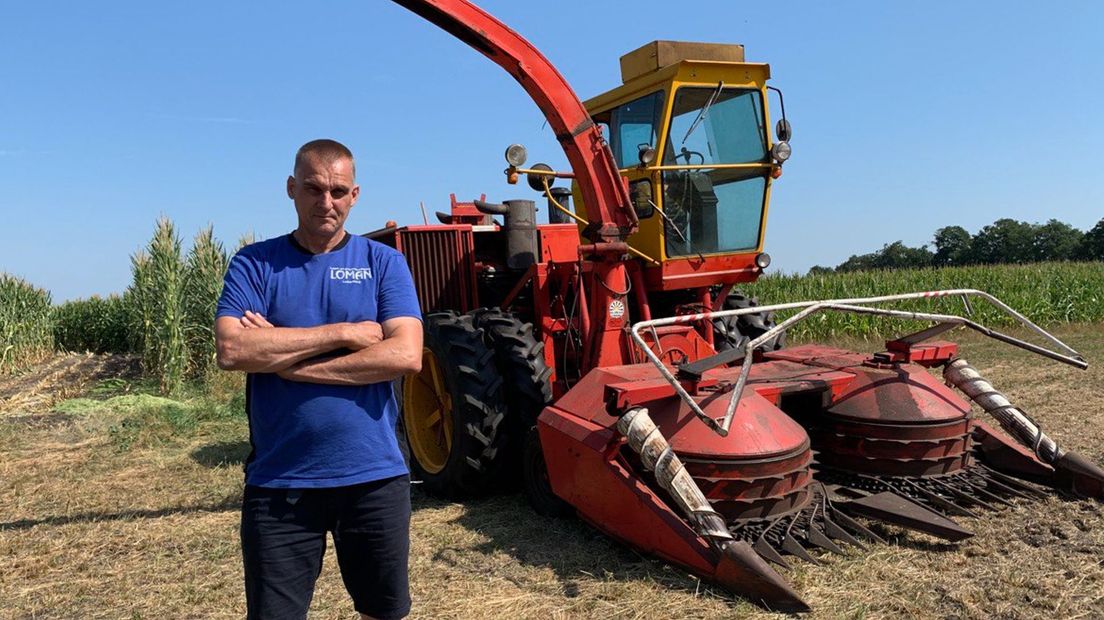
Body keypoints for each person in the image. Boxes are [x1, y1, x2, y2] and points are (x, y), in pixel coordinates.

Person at [214, 138, 423, 620]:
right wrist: (345, 333)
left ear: (355, 195)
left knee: (383, 611)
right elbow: (233, 348)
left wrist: (288, 362)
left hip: (373, 477)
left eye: (338, 190)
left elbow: (406, 355)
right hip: (280, 481)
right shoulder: (255, 263)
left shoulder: (383, 262)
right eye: (313, 188)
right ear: (291, 188)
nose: (325, 202)